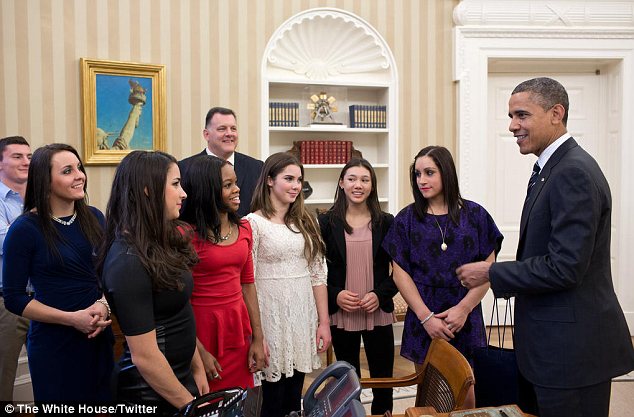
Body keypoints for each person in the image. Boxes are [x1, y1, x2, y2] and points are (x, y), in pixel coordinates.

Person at [457, 77, 634, 417]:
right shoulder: (549, 168)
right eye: (511, 116)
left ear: (556, 113)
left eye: (522, 115)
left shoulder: (573, 172)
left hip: (570, 354)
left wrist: (491, 272)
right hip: (548, 350)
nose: (512, 126)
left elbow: (565, 267)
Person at [382, 145, 503, 408]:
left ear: (446, 172)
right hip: (424, 314)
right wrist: (426, 318)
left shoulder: (476, 215)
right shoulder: (406, 219)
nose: (421, 180)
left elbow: (488, 270)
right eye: (417, 174)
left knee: (467, 394)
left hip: (465, 315)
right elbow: (400, 274)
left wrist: (463, 309)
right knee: (431, 394)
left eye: (429, 173)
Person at [2, 143, 113, 402]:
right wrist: (72, 319)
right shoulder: (25, 229)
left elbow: (111, 275)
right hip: (54, 344)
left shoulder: (95, 218)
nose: (79, 176)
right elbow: (14, 298)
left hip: (98, 336)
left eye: (79, 168)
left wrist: (104, 305)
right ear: (45, 181)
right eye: (67, 171)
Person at [100, 151, 208, 415]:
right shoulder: (128, 261)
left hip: (179, 378)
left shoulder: (161, 241)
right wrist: (191, 406)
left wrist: (196, 367)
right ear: (148, 190)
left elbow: (179, 312)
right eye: (175, 184)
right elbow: (146, 357)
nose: (183, 193)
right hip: (148, 394)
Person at [246, 152, 331, 417]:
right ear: (270, 180)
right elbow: (248, 281)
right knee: (272, 398)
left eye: (299, 180)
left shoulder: (306, 221)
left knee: (295, 397)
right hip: (270, 318)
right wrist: (256, 335)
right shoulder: (253, 223)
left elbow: (318, 274)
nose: (296, 186)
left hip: (301, 316)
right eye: (289, 179)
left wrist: (324, 322)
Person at [180, 154, 267, 390]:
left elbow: (248, 285)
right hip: (201, 331)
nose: (237, 189)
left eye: (235, 182)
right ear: (207, 190)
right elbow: (178, 301)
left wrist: (258, 338)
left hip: (237, 330)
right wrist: (198, 352)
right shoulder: (185, 235)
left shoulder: (245, 228)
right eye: (228, 185)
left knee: (241, 400)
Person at [317, 158, 397, 415]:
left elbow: (400, 272)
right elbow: (317, 273)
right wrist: (336, 295)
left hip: (378, 311)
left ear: (372, 186)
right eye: (351, 179)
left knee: (383, 378)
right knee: (347, 381)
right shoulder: (326, 223)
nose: (358, 185)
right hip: (343, 313)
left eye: (364, 180)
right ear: (342, 183)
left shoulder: (387, 222)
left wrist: (380, 295)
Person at [179, 107, 263, 217]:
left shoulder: (257, 168)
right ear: (206, 134)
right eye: (222, 129)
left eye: (233, 129)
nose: (229, 133)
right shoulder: (184, 168)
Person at [0, 136, 31, 402]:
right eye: (17, 156)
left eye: (29, 156)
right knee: (3, 376)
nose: (26, 162)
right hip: (7, 302)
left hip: (44, 298)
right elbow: (7, 243)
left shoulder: (39, 197)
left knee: (52, 369)